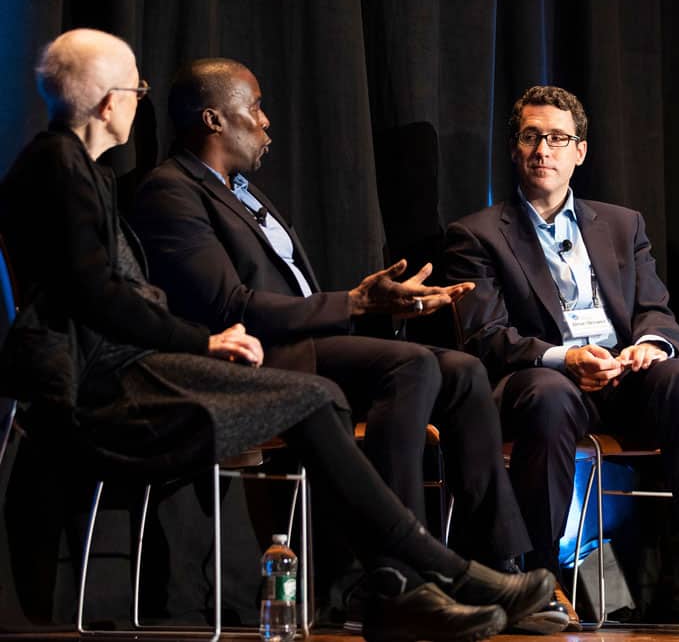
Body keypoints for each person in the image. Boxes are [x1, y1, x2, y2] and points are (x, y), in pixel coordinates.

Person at [0, 28, 554, 642]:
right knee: (357, 384)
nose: (139, 101)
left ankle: (453, 573)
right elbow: (98, 297)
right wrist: (203, 342)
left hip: (140, 364)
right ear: (109, 102)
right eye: (135, 89)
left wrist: (367, 302)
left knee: (452, 367)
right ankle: (415, 579)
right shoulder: (72, 170)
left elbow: (106, 294)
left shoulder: (86, 172)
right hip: (108, 384)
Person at [128, 59, 538, 601]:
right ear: (213, 120)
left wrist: (373, 301)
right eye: (254, 107)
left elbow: (297, 293)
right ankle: (400, 576)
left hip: (310, 345)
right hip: (258, 360)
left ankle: (499, 561)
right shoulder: (172, 192)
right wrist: (353, 304)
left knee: (462, 370)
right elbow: (230, 305)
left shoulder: (244, 192)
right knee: (409, 364)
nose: (267, 121)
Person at [444, 85, 679, 636]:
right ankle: (539, 580)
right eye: (531, 137)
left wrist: (648, 347)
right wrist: (564, 358)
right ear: (514, 148)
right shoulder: (477, 234)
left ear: (579, 150)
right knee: (550, 393)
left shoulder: (622, 224)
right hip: (541, 382)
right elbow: (485, 337)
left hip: (624, 378)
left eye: (557, 138)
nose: (543, 150)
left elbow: (656, 310)